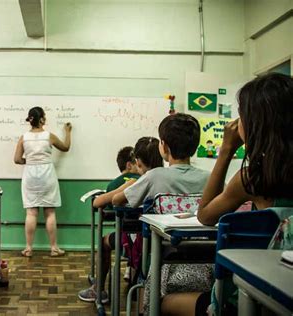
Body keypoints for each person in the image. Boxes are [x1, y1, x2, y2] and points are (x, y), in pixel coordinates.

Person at [190, 73, 293, 316]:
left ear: (255, 124)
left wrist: (226, 150)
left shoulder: (253, 179)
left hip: (254, 297)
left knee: (166, 302)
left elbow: (205, 215)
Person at [112, 113, 211, 314]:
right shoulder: (209, 177)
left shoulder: (154, 176)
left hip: (164, 263)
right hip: (207, 263)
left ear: (163, 146)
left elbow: (117, 201)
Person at [78, 138, 162, 303]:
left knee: (105, 242)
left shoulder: (139, 182)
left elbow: (108, 201)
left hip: (138, 240)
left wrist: (124, 188)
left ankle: (99, 290)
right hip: (164, 240)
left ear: (137, 162)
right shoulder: (166, 178)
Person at [14, 106, 71, 257]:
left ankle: (28, 248)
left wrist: (31, 160)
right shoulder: (49, 136)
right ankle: (54, 248)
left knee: (31, 213)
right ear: (43, 119)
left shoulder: (23, 137)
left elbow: (17, 159)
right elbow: (65, 147)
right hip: (47, 174)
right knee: (50, 212)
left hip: (30, 174)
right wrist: (68, 132)